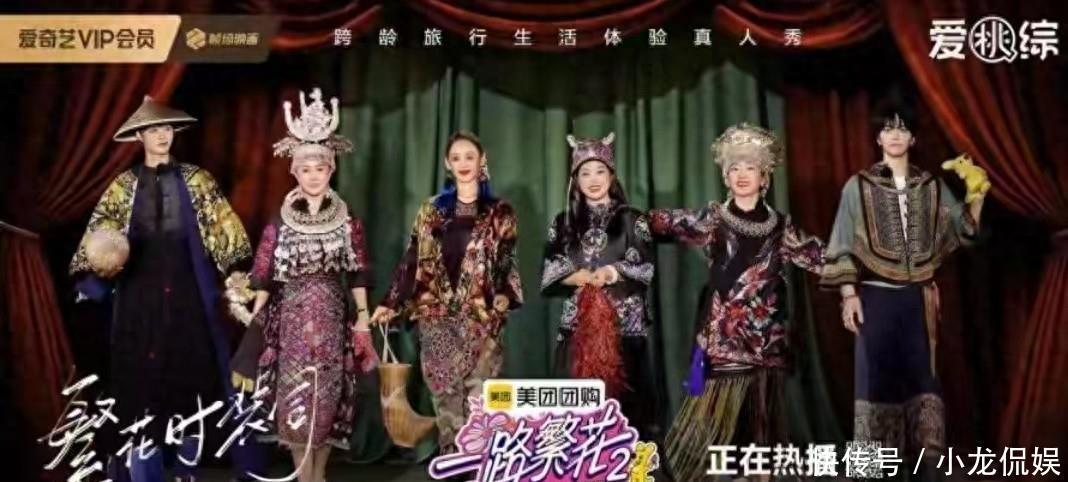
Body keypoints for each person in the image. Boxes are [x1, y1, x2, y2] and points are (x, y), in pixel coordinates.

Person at [69, 96, 253, 482]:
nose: (162, 136)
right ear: (139, 136)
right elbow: (100, 236)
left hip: (189, 290)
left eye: (167, 128)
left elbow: (224, 229)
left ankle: (187, 471)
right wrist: (94, 278)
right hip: (138, 294)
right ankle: (143, 472)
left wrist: (236, 276)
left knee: (190, 380)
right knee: (138, 382)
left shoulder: (198, 180)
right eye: (153, 130)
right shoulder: (122, 186)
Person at [650, 123, 825, 482]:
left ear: (764, 177)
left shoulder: (782, 226)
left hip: (767, 338)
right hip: (724, 336)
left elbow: (821, 258)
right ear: (725, 177)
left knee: (762, 419)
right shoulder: (713, 218)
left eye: (750, 167)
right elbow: (661, 222)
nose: (742, 174)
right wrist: (625, 218)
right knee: (718, 417)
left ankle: (759, 475)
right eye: (734, 168)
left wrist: (859, 274)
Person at [820, 108, 988, 473]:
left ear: (913, 139)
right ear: (878, 138)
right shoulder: (858, 186)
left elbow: (964, 230)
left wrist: (978, 194)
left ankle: (926, 467)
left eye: (903, 129)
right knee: (874, 378)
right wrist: (849, 295)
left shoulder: (931, 186)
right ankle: (873, 470)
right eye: (888, 129)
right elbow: (842, 242)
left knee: (923, 378)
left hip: (918, 298)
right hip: (875, 297)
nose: (895, 135)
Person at [230, 88, 378, 482]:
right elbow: (264, 273)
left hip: (332, 321)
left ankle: (319, 474)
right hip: (291, 324)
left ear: (331, 170)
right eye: (306, 169)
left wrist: (363, 318)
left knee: (328, 398)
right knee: (296, 399)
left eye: (320, 168)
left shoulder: (347, 220)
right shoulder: (280, 220)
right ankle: (301, 475)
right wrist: (256, 319)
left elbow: (359, 272)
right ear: (295, 172)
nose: (314, 175)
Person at [371, 130, 523, 455]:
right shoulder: (431, 209)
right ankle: (452, 460)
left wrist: (505, 295)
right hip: (436, 316)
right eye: (456, 158)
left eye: (470, 156)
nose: (463, 163)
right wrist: (390, 301)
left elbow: (507, 261)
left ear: (482, 161)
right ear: (447, 164)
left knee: (481, 398)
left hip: (481, 317)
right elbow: (412, 257)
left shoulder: (500, 212)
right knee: (444, 396)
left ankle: (480, 462)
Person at [540, 132, 661, 442]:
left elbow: (646, 267)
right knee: (575, 414)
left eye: (600, 171)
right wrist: (576, 276)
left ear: (611, 175)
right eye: (585, 173)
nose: (593, 179)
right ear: (575, 180)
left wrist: (611, 272)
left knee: (628, 415)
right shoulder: (564, 222)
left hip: (624, 330)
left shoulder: (634, 219)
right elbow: (550, 268)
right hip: (578, 329)